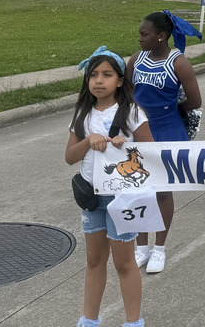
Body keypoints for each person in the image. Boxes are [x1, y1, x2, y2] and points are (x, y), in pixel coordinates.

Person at [67, 48, 150, 327]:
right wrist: (88, 139)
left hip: (122, 198)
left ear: (120, 81)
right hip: (91, 198)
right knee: (94, 260)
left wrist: (126, 148)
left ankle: (133, 322)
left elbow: (151, 152)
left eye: (107, 74)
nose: (99, 80)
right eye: (93, 75)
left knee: (124, 263)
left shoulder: (132, 112)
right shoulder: (82, 114)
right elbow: (69, 156)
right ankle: (89, 320)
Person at [126, 11, 202, 274]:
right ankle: (141, 247)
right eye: (140, 33)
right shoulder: (136, 59)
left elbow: (195, 101)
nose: (140, 39)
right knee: (138, 189)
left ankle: (159, 248)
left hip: (167, 130)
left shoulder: (178, 62)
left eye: (144, 34)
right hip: (138, 131)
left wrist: (172, 111)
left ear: (161, 36)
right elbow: (126, 93)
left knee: (161, 191)